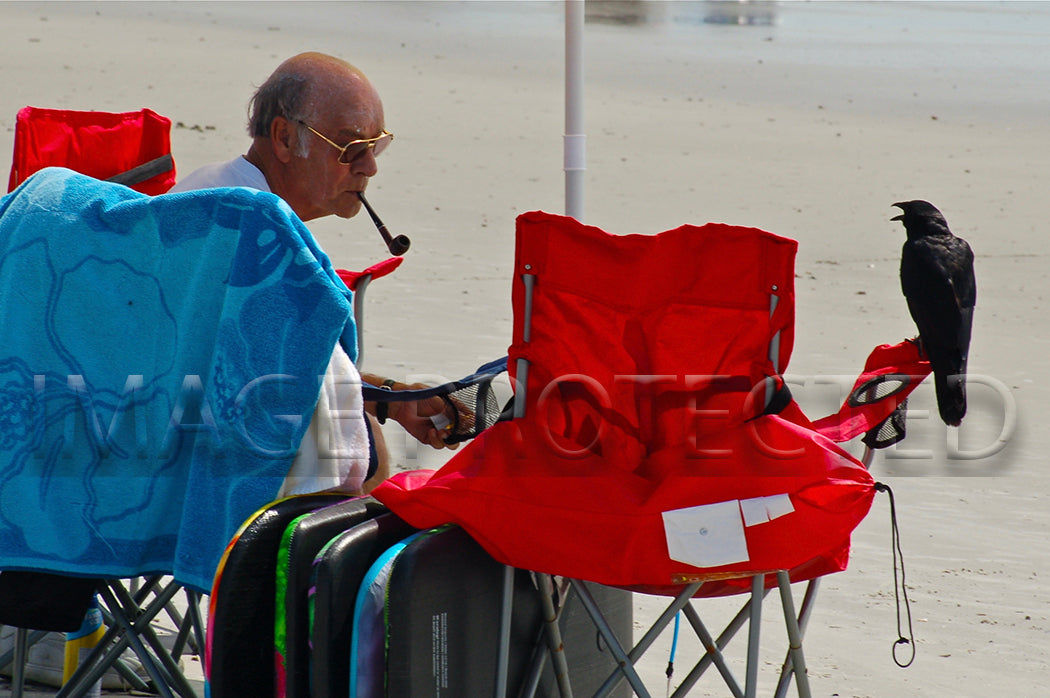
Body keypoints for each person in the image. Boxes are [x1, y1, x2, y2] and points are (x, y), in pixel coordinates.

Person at [172, 52, 457, 493]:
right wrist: (383, 407)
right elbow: (293, 388)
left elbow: (293, 367)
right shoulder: (263, 237)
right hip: (213, 463)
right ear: (284, 138)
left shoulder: (208, 190)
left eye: (376, 146)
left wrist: (395, 399)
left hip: (174, 430)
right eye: (350, 148)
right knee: (365, 449)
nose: (370, 166)